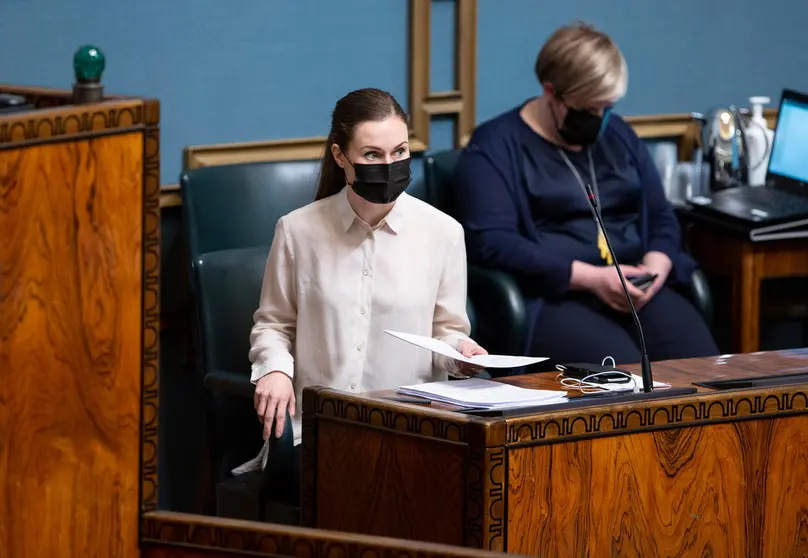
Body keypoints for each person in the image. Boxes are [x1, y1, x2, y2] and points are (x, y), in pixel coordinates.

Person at [453, 23, 718, 372]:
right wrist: (592, 278)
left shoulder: (619, 135)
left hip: (636, 286)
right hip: (555, 296)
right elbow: (493, 243)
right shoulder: (494, 147)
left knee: (705, 369)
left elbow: (661, 215)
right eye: (589, 110)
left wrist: (656, 268)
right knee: (620, 378)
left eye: (607, 107)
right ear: (551, 92)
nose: (600, 119)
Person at [249, 88, 487, 445]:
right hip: (321, 430)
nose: (389, 165)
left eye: (400, 152)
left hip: (411, 428)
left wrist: (462, 354)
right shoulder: (297, 230)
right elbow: (274, 325)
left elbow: (446, 332)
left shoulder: (444, 233)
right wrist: (275, 371)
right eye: (372, 155)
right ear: (340, 156)